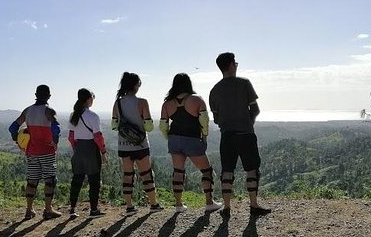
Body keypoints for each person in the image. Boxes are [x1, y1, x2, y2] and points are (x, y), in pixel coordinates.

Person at [209, 53, 271, 218]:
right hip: (246, 133)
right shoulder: (244, 84)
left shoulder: (214, 90)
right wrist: (248, 122)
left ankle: (227, 208)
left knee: (227, 171)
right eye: (235, 63)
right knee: (251, 170)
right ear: (231, 65)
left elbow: (216, 118)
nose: (236, 65)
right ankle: (254, 205)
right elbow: (255, 109)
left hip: (227, 135)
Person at [159, 73, 222, 213]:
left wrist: (169, 138)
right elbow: (204, 122)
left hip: (174, 139)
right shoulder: (197, 100)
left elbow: (163, 126)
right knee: (206, 171)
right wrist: (204, 136)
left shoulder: (167, 103)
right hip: (192, 139)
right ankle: (209, 202)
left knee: (178, 171)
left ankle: (178, 205)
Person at [111, 72, 163, 215]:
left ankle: (129, 207)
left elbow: (114, 125)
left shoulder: (117, 103)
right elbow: (149, 127)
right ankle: (153, 204)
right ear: (135, 85)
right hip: (141, 145)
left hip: (123, 145)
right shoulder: (142, 102)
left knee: (127, 175)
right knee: (146, 174)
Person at [9, 84, 63, 220]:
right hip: (46, 151)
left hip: (31, 151)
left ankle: (29, 210)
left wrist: (16, 138)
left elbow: (12, 127)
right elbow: (56, 128)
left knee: (32, 181)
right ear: (49, 96)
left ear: (35, 95)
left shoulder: (27, 111)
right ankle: (48, 210)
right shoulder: (49, 111)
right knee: (49, 180)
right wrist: (55, 142)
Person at [68, 88, 108, 219]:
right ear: (88, 99)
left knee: (77, 180)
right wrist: (103, 151)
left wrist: (76, 149)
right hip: (91, 149)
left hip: (79, 149)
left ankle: (72, 209)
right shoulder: (93, 116)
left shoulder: (73, 115)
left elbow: (71, 137)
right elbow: (98, 137)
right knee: (94, 181)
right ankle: (94, 209)